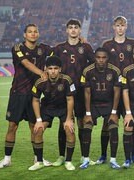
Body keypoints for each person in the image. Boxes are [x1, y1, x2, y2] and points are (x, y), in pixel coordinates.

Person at [0, 24, 53, 169]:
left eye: (35, 31)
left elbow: (58, 53)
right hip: (18, 93)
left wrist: (80, 39)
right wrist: (41, 72)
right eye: (30, 32)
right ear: (25, 35)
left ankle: (38, 159)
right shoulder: (17, 48)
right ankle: (7, 159)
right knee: (12, 126)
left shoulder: (44, 49)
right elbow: (26, 63)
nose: (33, 34)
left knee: (35, 127)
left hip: (34, 94)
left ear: (38, 34)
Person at [53, 18, 94, 166]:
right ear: (66, 30)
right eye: (70, 27)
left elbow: (93, 65)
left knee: (82, 123)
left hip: (81, 92)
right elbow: (52, 67)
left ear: (80, 30)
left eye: (76, 27)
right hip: (63, 92)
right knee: (63, 124)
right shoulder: (58, 48)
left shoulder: (86, 47)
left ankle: (85, 156)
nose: (73, 30)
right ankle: (61, 156)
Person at [97, 16, 134, 164]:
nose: (120, 28)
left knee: (131, 122)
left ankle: (133, 155)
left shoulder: (133, 43)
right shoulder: (107, 44)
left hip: (129, 89)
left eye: (123, 25)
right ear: (113, 27)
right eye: (118, 25)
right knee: (107, 123)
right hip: (111, 89)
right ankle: (103, 155)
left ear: (126, 27)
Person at [29, 56, 76, 171]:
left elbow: (70, 100)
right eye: (50, 68)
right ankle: (39, 162)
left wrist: (69, 119)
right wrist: (39, 120)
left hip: (64, 108)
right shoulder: (40, 82)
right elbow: (35, 100)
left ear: (60, 69)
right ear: (46, 69)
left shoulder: (67, 80)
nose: (53, 71)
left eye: (55, 68)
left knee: (69, 130)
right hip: (47, 108)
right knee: (38, 130)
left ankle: (68, 161)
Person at [80, 47, 122, 169]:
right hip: (94, 104)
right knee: (86, 127)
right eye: (98, 57)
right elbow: (87, 93)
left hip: (109, 104)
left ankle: (112, 160)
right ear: (94, 58)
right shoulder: (87, 71)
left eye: (104, 58)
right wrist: (88, 113)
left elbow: (117, 92)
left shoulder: (115, 71)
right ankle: (86, 159)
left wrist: (114, 112)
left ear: (108, 58)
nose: (101, 60)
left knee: (113, 128)